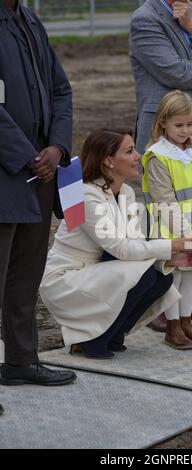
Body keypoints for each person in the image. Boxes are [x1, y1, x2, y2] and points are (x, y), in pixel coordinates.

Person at [39, 128, 192, 358]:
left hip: (95, 271)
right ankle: (91, 340)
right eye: (130, 151)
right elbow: (121, 249)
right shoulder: (86, 195)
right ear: (108, 161)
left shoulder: (125, 191)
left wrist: (169, 257)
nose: (138, 156)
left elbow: (133, 244)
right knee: (144, 275)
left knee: (161, 278)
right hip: (66, 278)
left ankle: (112, 334)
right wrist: (173, 245)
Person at [130, 0, 192, 325]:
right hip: (164, 130)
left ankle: (187, 303)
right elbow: (174, 71)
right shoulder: (145, 19)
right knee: (163, 216)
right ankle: (158, 303)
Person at [0, 0, 76, 387]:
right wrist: (26, 155)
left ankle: (20, 361)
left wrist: (57, 148)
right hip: (8, 170)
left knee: (26, 273)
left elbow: (61, 90)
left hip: (41, 171)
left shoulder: (29, 20)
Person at [142, 90, 192, 349]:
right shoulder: (157, 156)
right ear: (163, 122)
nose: (185, 130)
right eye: (178, 125)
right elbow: (165, 201)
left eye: (190, 124)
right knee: (174, 276)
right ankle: (172, 327)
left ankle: (186, 322)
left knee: (191, 275)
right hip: (172, 231)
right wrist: (187, 236)